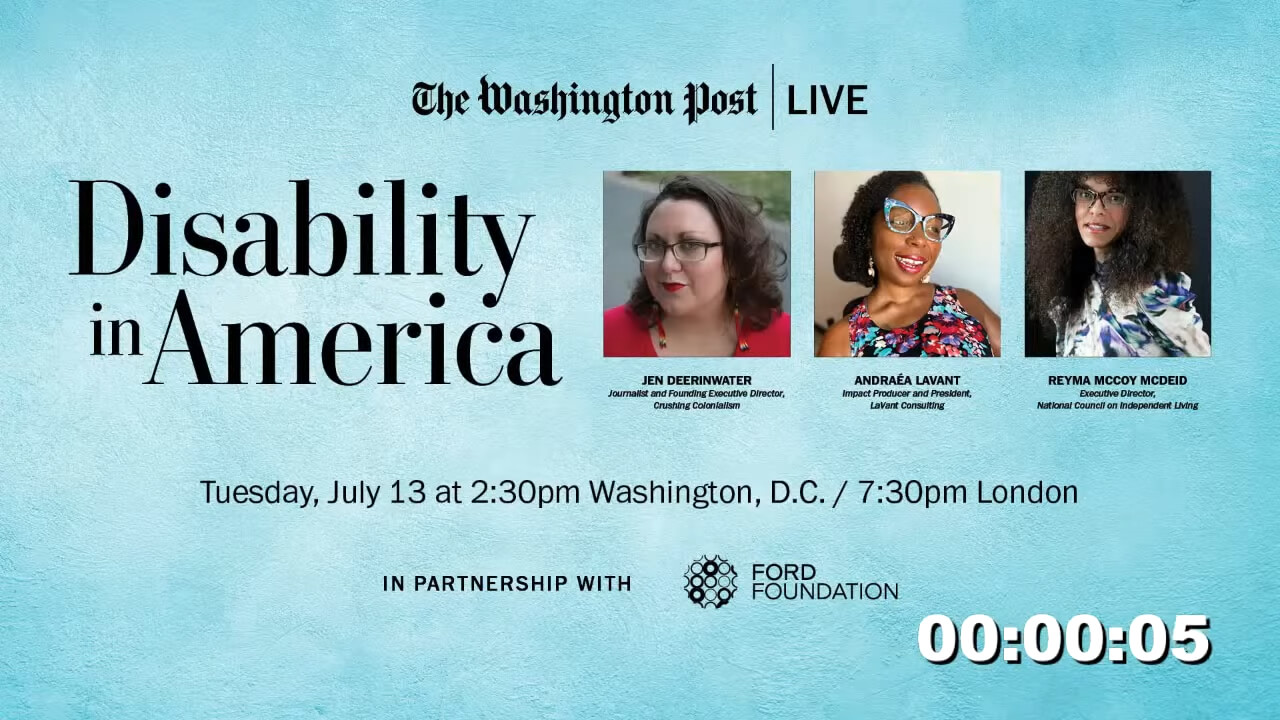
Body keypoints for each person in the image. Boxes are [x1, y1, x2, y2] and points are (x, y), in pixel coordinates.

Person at [1026, 171, 1210, 357]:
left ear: (1139, 208)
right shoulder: (1072, 295)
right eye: (1085, 194)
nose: (1096, 209)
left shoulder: (1153, 288)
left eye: (1114, 197)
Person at [604, 175, 790, 357]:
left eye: (690, 245)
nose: (668, 264)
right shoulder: (605, 336)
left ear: (734, 258)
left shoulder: (788, 340)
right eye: (654, 245)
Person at [818, 171, 1000, 357]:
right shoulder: (841, 341)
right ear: (868, 234)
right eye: (901, 222)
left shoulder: (965, 302)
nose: (920, 239)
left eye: (933, 228)